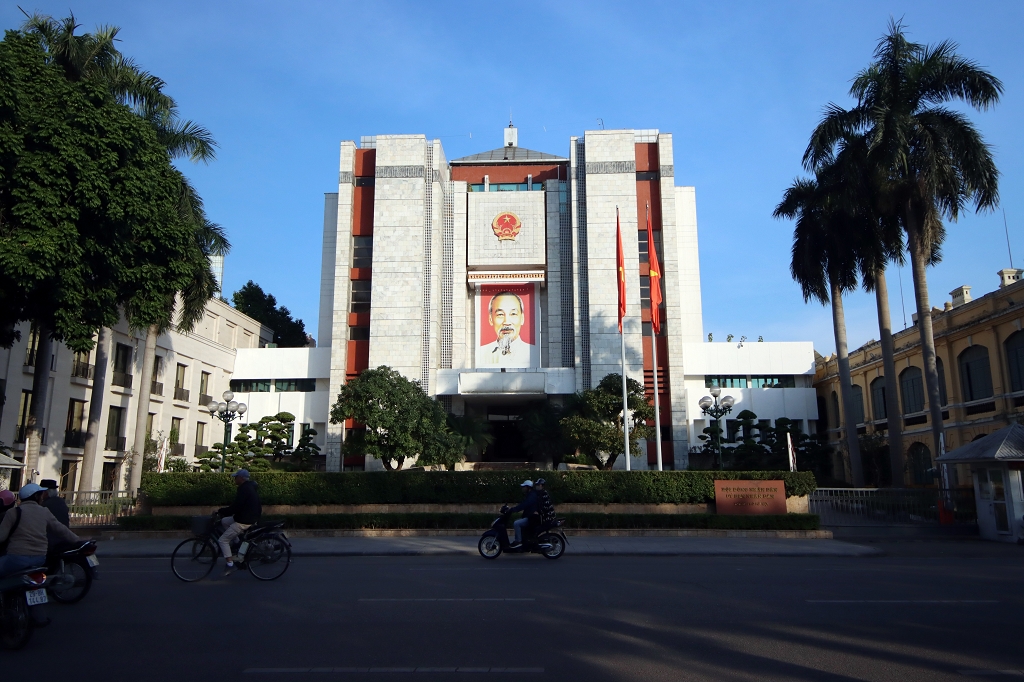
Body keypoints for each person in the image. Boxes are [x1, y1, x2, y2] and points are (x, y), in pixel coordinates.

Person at [0, 484, 81, 578]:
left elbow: (1, 537)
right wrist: (77, 539)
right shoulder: (44, 511)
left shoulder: (13, 512)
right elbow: (61, 530)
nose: (42, 498)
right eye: (41, 495)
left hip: (16, 558)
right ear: (36, 497)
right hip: (40, 558)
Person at [475, 292, 536, 368]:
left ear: (522, 318)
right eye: (500, 314)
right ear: (490, 319)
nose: (507, 322)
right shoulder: (481, 353)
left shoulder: (534, 353)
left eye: (513, 314)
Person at [216, 469, 261, 570]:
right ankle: (236, 542)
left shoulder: (244, 489)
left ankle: (230, 564)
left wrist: (222, 511)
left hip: (245, 520)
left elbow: (236, 507)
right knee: (224, 521)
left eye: (236, 477)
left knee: (223, 540)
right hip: (247, 516)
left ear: (241, 478)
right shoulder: (248, 487)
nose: (234, 479)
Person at [507, 480, 539, 547]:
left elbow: (524, 505)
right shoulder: (530, 495)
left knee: (516, 523)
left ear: (528, 487)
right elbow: (523, 504)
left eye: (524, 487)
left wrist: (513, 509)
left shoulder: (531, 496)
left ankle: (518, 541)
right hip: (530, 517)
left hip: (531, 518)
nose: (523, 488)